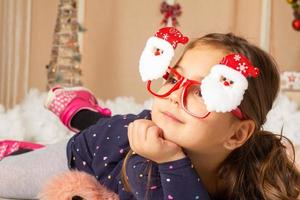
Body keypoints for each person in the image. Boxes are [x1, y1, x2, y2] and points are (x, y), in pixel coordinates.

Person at [1, 28, 300, 200]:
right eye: (172, 78)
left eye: (202, 92)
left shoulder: (257, 170)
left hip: (125, 131)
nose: (172, 95)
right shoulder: (145, 163)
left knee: (118, 123)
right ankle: (48, 134)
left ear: (237, 134)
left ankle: (82, 111)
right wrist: (171, 161)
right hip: (92, 151)